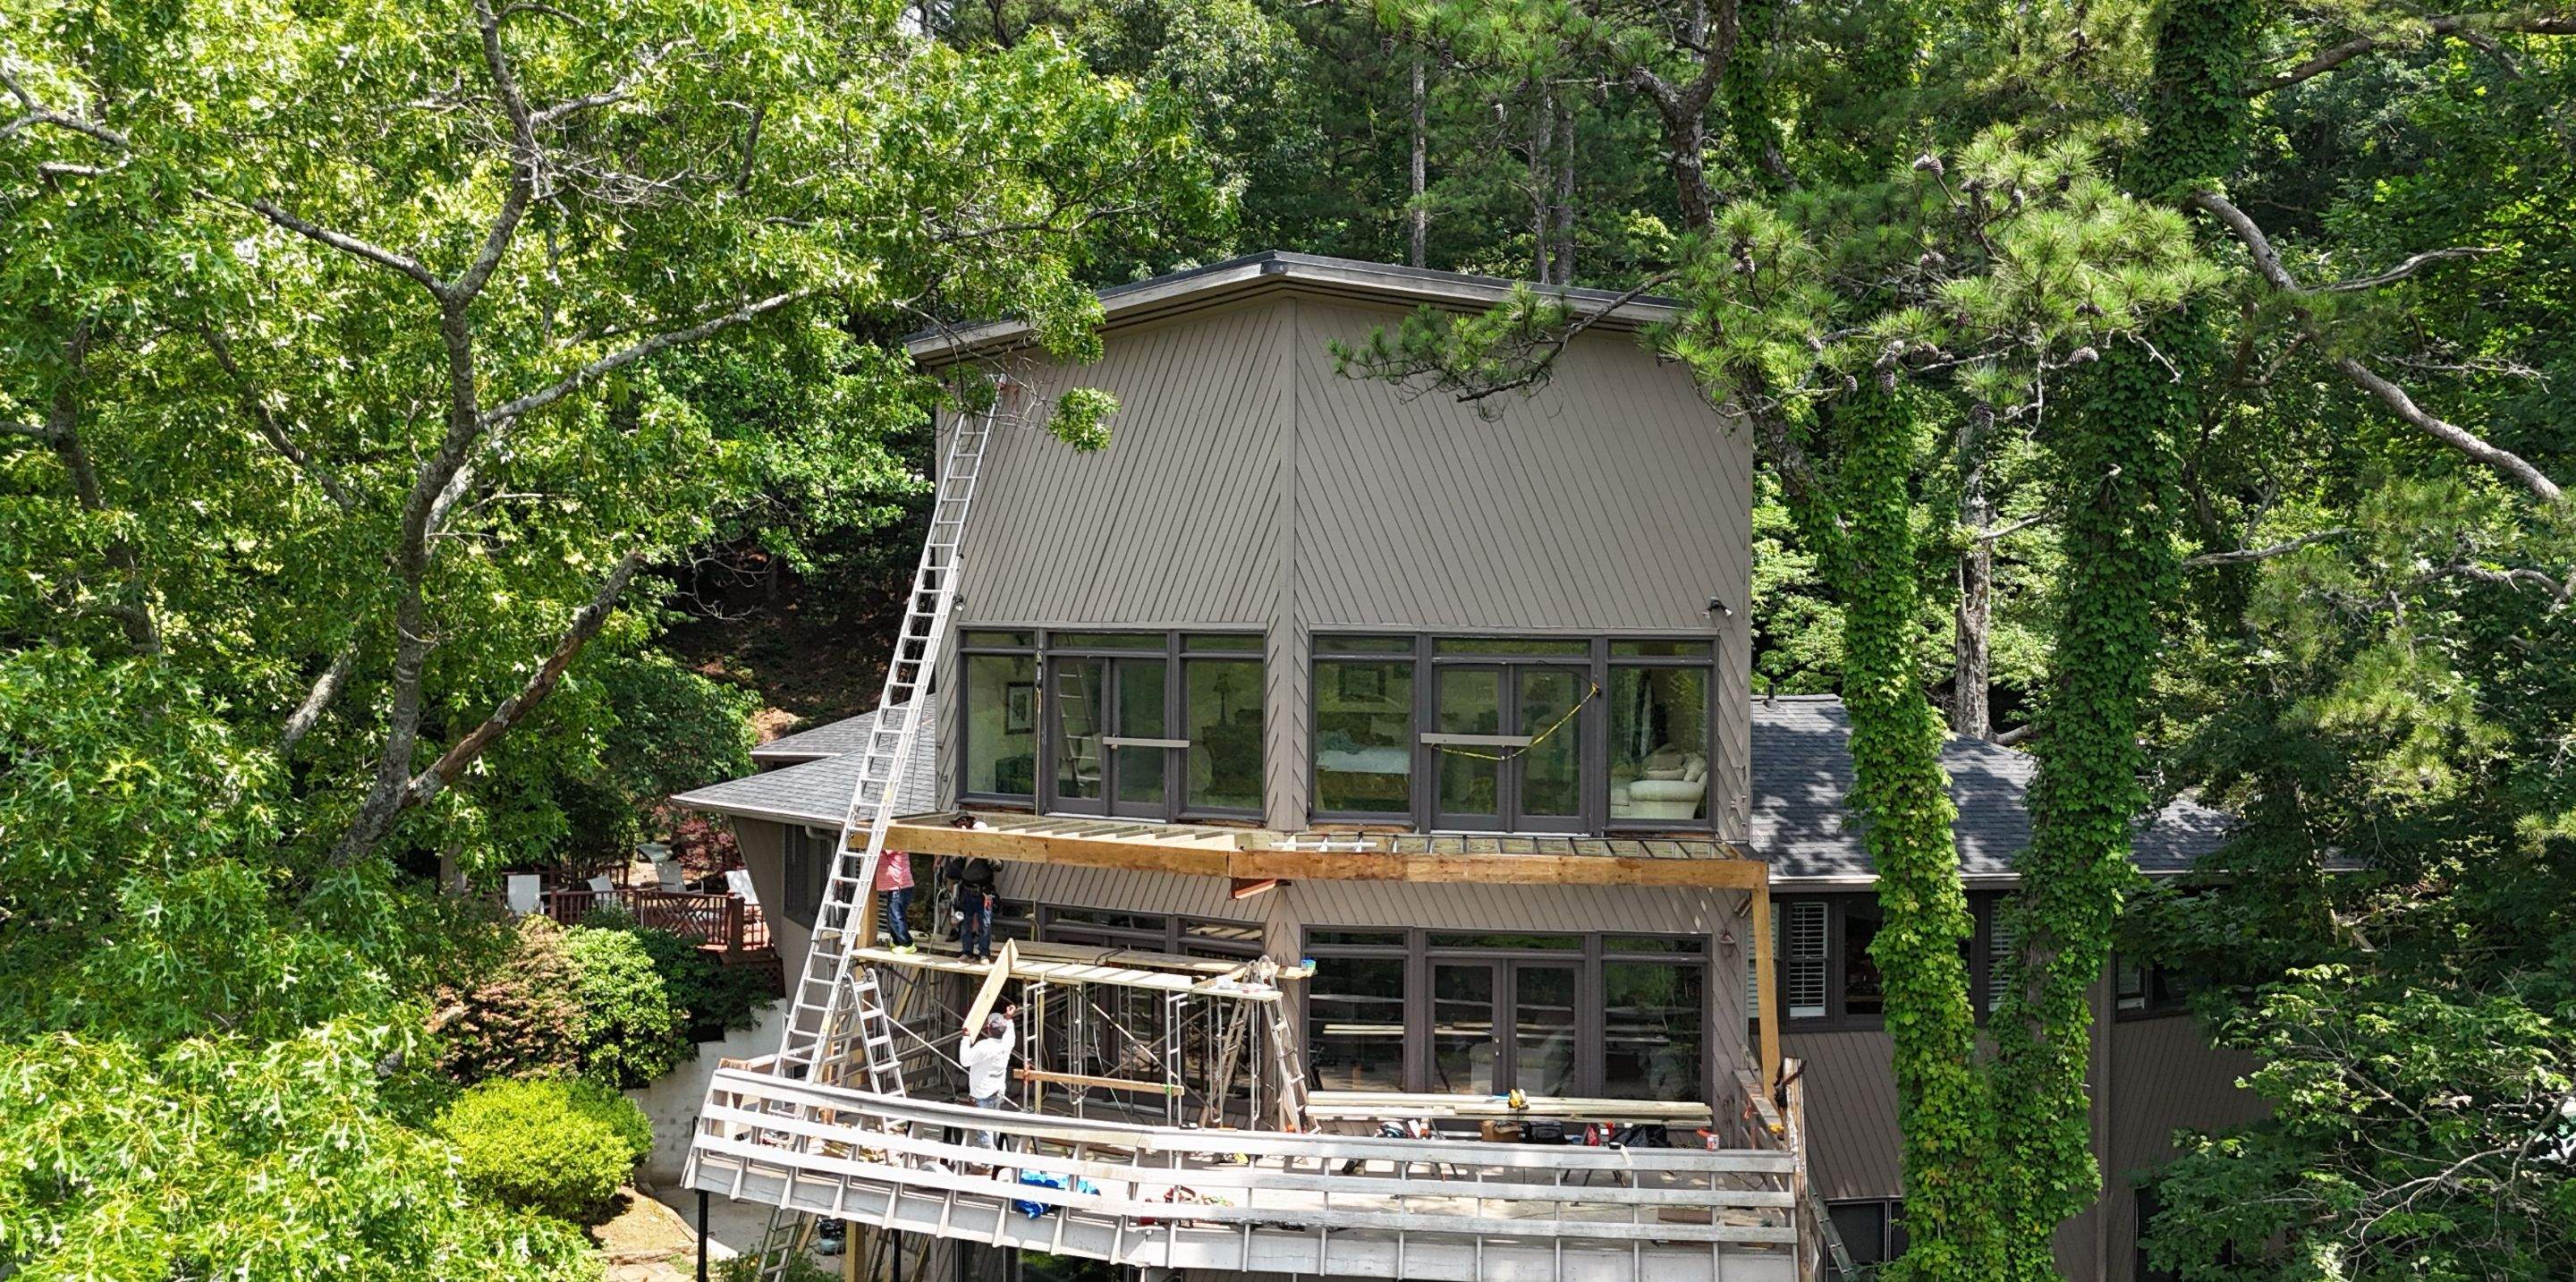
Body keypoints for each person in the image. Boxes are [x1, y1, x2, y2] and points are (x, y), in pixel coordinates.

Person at [958, 1006, 1018, 1151]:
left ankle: (988, 1164)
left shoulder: (984, 1046)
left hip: (983, 1094)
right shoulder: (1007, 1043)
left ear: (989, 1029)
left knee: (984, 1131)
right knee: (994, 1126)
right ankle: (1000, 1159)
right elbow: (1010, 1031)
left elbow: (965, 1060)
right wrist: (1009, 1018)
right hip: (997, 1091)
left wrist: (965, 1038)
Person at [947, 853, 1000, 962]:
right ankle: (967, 952)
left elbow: (999, 866)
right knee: (965, 923)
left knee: (985, 924)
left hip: (985, 892)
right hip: (966, 891)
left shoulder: (991, 847)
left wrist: (987, 857)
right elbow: (955, 867)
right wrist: (956, 858)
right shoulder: (966, 847)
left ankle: (984, 954)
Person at [874, 849, 915, 954]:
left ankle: (907, 943)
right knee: (892, 913)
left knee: (895, 914)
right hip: (895, 885)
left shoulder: (894, 840)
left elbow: (879, 846)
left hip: (900, 885)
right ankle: (897, 941)